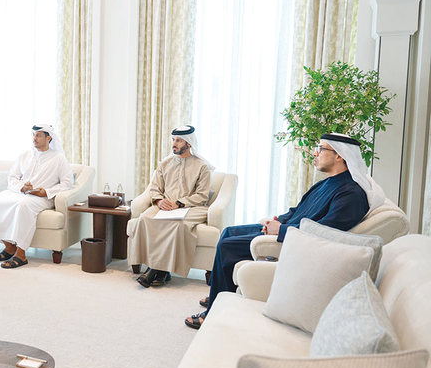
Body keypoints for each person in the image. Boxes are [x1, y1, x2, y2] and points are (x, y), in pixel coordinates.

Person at [184, 133, 384, 329]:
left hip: (292, 240)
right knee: (228, 232)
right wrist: (278, 220)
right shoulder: (328, 182)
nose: (315, 153)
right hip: (287, 230)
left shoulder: (351, 194)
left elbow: (325, 232)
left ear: (340, 155)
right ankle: (219, 292)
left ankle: (213, 313)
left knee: (228, 246)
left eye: (321, 149)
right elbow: (297, 210)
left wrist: (280, 230)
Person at [0, 124, 74, 269]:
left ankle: (21, 254)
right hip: (20, 193)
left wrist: (45, 192)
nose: (34, 138)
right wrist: (22, 187)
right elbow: (12, 177)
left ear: (49, 138)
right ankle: (9, 247)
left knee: (23, 206)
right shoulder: (25, 155)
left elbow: (67, 183)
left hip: (42, 198)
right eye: (33, 135)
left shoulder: (58, 158)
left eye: (38, 135)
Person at [128, 125, 212, 287]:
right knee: (144, 219)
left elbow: (202, 196)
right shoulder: (164, 164)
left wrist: (179, 203)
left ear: (188, 143)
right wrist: (159, 201)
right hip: (165, 205)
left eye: (179, 141)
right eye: (173, 140)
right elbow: (154, 189)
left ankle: (153, 271)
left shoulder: (202, 167)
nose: (174, 144)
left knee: (177, 224)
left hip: (191, 207)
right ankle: (162, 273)